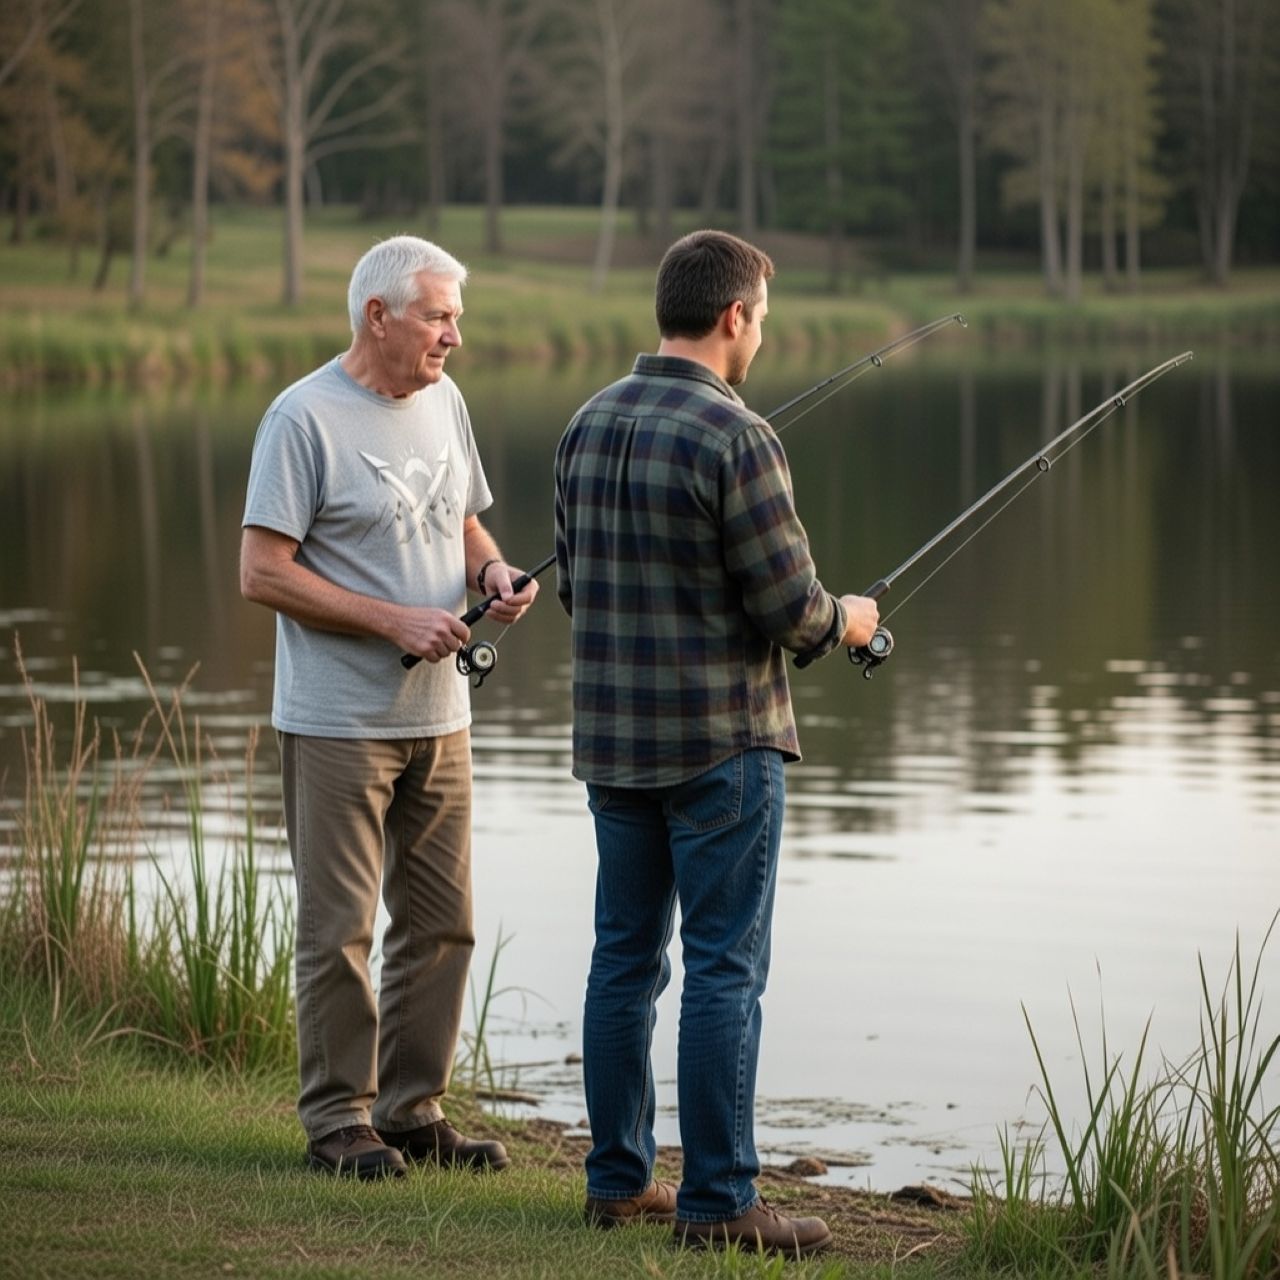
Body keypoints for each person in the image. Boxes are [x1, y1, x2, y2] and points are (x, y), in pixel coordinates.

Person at [553, 230, 880, 1256]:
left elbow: (572, 586)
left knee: (621, 960)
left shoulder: (584, 422)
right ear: (733, 315)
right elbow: (791, 607)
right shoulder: (738, 438)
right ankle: (719, 1202)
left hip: (613, 746)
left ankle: (615, 1182)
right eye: (760, 319)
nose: (759, 336)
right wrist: (854, 622)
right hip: (719, 750)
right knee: (723, 968)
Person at [240, 235, 538, 1180]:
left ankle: (413, 1113)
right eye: (440, 315)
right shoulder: (302, 418)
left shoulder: (444, 401)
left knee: (444, 923)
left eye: (457, 316)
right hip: (336, 721)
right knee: (341, 929)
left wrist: (489, 568)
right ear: (380, 316)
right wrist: (390, 622)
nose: (456, 334)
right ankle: (339, 1124)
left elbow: (461, 521)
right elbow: (260, 572)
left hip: (441, 717)